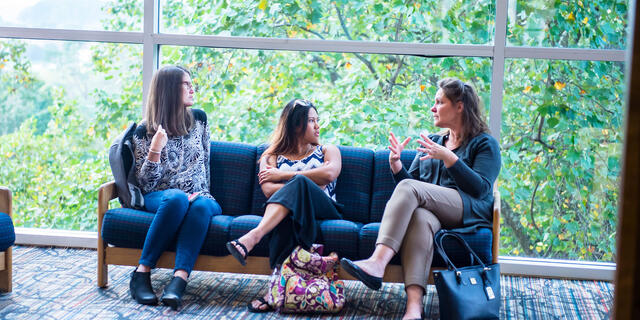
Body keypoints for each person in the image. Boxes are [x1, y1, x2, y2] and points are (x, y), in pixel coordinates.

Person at [340, 78, 501, 320]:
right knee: (420, 217)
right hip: (434, 214)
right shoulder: (434, 142)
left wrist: (449, 158)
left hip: (468, 210)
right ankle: (414, 308)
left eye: (439, 102)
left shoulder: (484, 144)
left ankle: (377, 262)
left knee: (413, 192)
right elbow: (410, 184)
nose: (432, 108)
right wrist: (396, 166)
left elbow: (480, 189)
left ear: (459, 106)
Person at [225, 98, 343, 313]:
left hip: (326, 210)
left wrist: (283, 175)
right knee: (287, 215)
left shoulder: (328, 150)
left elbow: (329, 174)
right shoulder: (270, 156)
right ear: (296, 125)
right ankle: (278, 290)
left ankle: (254, 236)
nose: (318, 126)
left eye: (318, 120)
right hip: (295, 211)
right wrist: (305, 183)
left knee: (299, 184)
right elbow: (268, 190)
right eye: (311, 121)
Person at [129, 65, 222, 310]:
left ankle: (178, 281)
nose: (193, 88)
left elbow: (205, 163)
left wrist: (200, 191)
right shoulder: (145, 130)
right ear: (170, 90)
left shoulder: (199, 119)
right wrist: (155, 149)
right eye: (186, 84)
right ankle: (142, 272)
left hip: (199, 194)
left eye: (192, 84)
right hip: (161, 196)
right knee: (177, 199)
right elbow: (146, 183)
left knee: (201, 205)